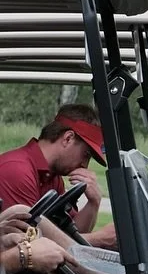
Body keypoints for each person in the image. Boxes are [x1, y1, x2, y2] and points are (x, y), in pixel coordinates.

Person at [0, 105, 115, 247]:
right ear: (68, 138)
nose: (85, 165)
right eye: (86, 155)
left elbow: (73, 232)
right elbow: (29, 244)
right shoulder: (17, 170)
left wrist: (93, 202)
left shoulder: (53, 177)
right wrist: (98, 239)